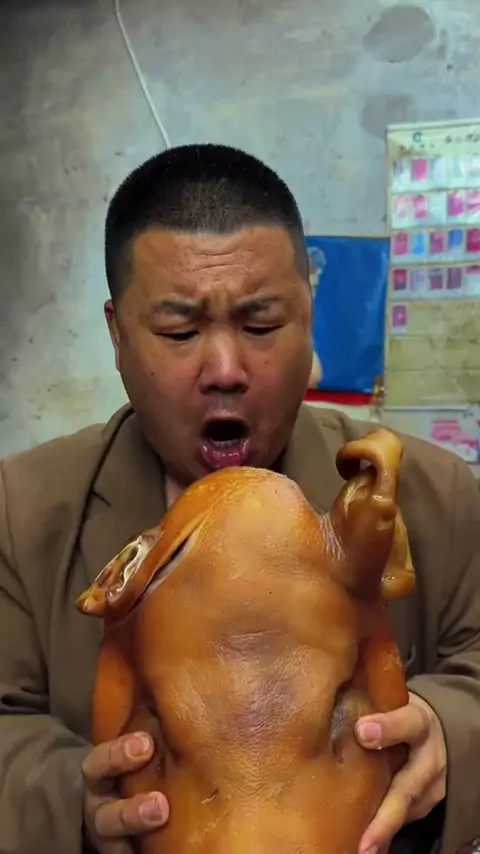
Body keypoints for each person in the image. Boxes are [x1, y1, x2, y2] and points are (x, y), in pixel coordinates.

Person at [0, 143, 479, 854]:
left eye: (261, 325)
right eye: (179, 331)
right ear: (117, 334)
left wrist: (447, 731)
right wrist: (78, 800)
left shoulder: (428, 493)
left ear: (310, 317)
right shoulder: (21, 511)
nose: (225, 369)